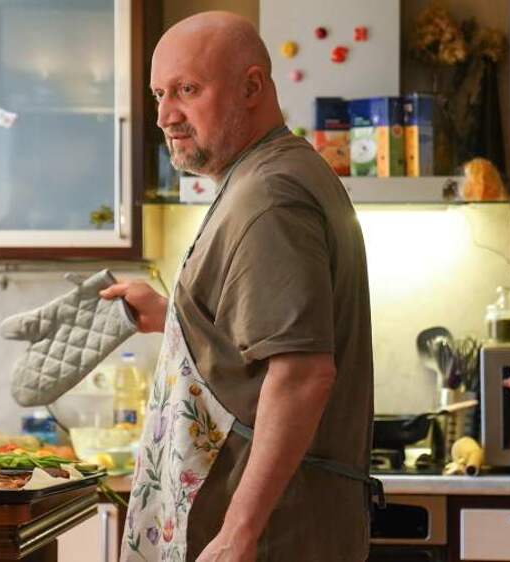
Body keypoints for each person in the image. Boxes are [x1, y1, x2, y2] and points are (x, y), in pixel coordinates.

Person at [100, 11, 374, 562]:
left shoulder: (270, 196)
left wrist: (238, 532)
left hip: (269, 538)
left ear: (252, 87)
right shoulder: (263, 176)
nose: (165, 116)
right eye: (159, 94)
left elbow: (301, 374)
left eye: (187, 89)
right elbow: (252, 350)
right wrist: (177, 318)